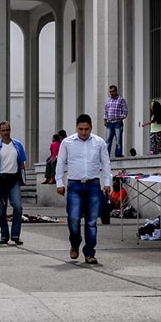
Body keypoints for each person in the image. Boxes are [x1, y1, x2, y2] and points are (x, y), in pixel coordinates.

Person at [56, 114, 113, 264]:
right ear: (76, 128)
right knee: (74, 218)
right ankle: (75, 242)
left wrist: (107, 182)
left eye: (86, 129)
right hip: (74, 185)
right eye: (81, 129)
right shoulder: (67, 143)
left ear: (91, 128)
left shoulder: (99, 142)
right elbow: (60, 163)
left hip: (93, 184)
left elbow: (106, 163)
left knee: (91, 221)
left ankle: (89, 252)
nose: (83, 132)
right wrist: (59, 182)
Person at [0, 121, 27, 245]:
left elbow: (22, 162)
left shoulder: (17, 144)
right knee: (2, 210)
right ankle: (4, 235)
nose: (5, 133)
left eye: (7, 130)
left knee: (18, 207)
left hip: (14, 179)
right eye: (3, 130)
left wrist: (22, 174)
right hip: (1, 180)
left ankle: (15, 234)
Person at [104, 85, 128, 157]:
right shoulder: (108, 100)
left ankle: (118, 154)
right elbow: (106, 110)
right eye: (110, 92)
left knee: (118, 140)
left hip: (117, 123)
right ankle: (106, 155)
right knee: (108, 140)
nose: (112, 93)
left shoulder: (121, 100)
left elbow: (125, 111)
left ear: (116, 91)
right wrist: (105, 120)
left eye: (113, 91)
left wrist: (121, 119)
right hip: (109, 123)